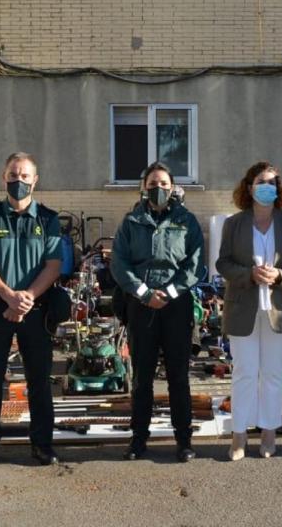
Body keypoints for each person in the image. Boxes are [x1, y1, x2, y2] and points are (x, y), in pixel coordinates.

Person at [0, 153, 62, 466]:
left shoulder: (48, 219)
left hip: (35, 311)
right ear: (3, 177)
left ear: (35, 180)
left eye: (24, 176)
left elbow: (53, 265)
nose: (18, 181)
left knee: (39, 381)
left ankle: (42, 445)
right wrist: (9, 297)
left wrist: (26, 299)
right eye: (13, 174)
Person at [111, 162, 204, 462]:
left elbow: (196, 264)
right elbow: (119, 264)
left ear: (172, 187)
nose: (159, 188)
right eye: (153, 183)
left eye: (164, 183)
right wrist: (143, 293)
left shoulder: (187, 221)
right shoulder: (131, 222)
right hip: (141, 306)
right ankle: (139, 439)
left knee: (178, 376)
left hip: (176, 307)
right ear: (144, 187)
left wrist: (172, 292)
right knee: (142, 378)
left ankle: (183, 439)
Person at [216, 162, 282, 460]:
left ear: (277, 189)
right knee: (244, 373)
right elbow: (223, 264)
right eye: (260, 181)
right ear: (249, 186)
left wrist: (279, 276)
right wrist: (248, 274)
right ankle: (239, 435)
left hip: (278, 310)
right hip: (243, 307)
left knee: (271, 374)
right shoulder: (234, 223)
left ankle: (269, 432)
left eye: (272, 182)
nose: (266, 186)